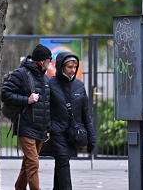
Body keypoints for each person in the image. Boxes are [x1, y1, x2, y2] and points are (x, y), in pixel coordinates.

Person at [40, 52, 95, 190]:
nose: (73, 70)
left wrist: (91, 138)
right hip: (56, 130)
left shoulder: (79, 86)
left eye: (75, 67)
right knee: (63, 160)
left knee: (62, 162)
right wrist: (48, 127)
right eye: (69, 67)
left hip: (73, 132)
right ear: (61, 67)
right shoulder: (49, 83)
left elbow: (86, 113)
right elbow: (43, 108)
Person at [1, 44, 52, 190]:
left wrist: (47, 128)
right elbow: (5, 93)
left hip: (40, 129)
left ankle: (19, 188)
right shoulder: (21, 74)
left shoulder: (45, 78)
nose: (50, 63)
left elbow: (46, 105)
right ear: (42, 61)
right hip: (26, 126)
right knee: (33, 163)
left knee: (28, 163)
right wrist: (26, 100)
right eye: (49, 60)